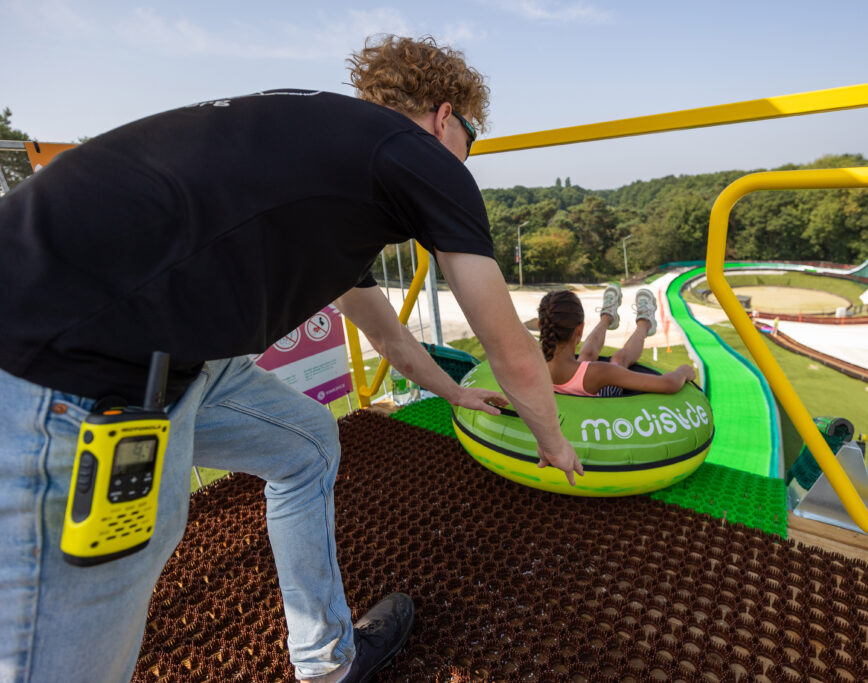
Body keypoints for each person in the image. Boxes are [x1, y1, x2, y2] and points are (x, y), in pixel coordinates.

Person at [0, 35, 582, 683]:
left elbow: (390, 339)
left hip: (167, 358)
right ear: (445, 117)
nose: (467, 156)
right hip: (62, 370)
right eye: (469, 137)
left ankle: (326, 659)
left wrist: (455, 393)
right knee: (78, 640)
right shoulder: (415, 155)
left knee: (305, 444)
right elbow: (516, 355)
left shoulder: (327, 161)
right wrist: (555, 442)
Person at [539, 285, 697, 397]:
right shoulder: (602, 372)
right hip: (598, 398)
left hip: (579, 380)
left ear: (540, 326)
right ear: (580, 330)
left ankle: (608, 316)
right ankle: (645, 323)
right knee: (619, 358)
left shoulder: (532, 367)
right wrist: (682, 372)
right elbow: (668, 384)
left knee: (587, 354)